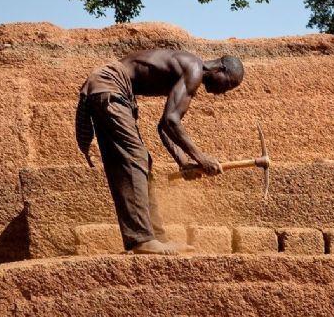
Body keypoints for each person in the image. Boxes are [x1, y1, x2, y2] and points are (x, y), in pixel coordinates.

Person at [75, 49, 244, 255]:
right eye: (228, 84)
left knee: (142, 161)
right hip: (109, 86)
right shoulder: (194, 68)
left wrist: (182, 162)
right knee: (135, 158)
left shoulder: (191, 69)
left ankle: (155, 237)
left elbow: (163, 126)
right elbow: (171, 121)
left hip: (111, 90)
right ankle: (142, 239)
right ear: (220, 68)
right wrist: (202, 157)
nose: (222, 92)